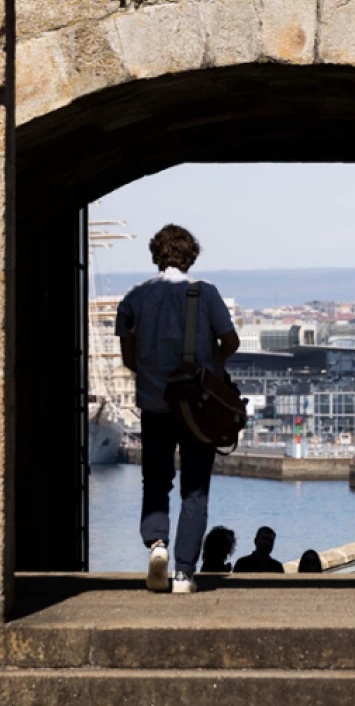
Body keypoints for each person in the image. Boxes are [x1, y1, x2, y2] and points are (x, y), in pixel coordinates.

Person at [116, 225, 240, 594]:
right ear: (191, 256)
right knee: (195, 488)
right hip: (198, 407)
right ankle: (185, 572)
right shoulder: (206, 294)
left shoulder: (133, 299)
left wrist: (155, 375)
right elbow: (230, 340)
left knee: (156, 480)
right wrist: (208, 369)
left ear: (156, 254)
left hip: (156, 406)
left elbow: (128, 356)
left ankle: (158, 543)